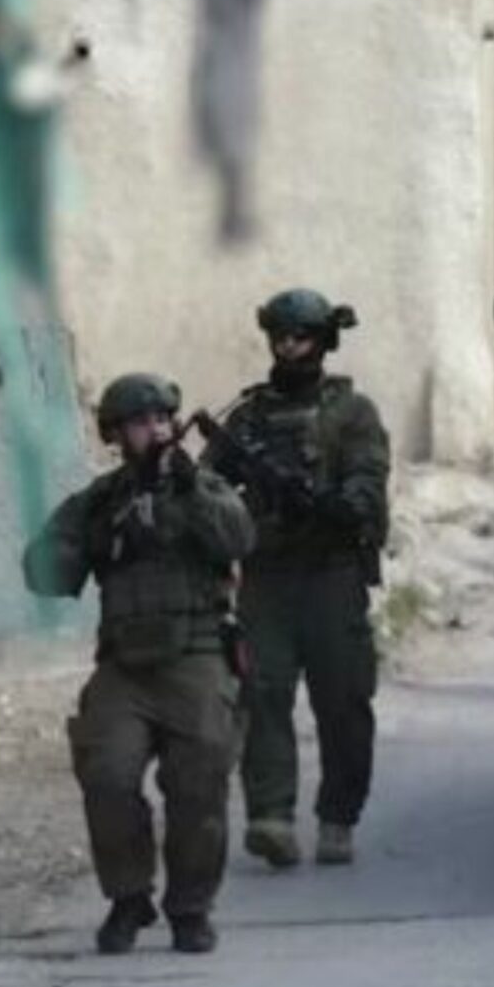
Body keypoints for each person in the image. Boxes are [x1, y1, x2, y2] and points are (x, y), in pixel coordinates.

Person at [25, 374, 255, 956]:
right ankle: (129, 897)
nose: (153, 431)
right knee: (105, 773)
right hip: (125, 666)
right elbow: (42, 571)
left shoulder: (204, 486)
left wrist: (190, 490)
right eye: (138, 422)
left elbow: (238, 539)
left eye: (160, 419)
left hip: (196, 655)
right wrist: (93, 537)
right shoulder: (101, 500)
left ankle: (190, 907)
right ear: (116, 434)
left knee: (198, 782)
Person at [203, 289, 391, 870]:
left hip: (332, 575)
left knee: (343, 701)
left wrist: (335, 504)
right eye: (280, 337)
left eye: (300, 336)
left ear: (323, 341)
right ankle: (271, 816)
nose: (288, 347)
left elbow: (369, 481)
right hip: (267, 578)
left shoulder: (351, 413)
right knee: (262, 696)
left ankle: (337, 817)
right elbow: (207, 490)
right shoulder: (247, 419)